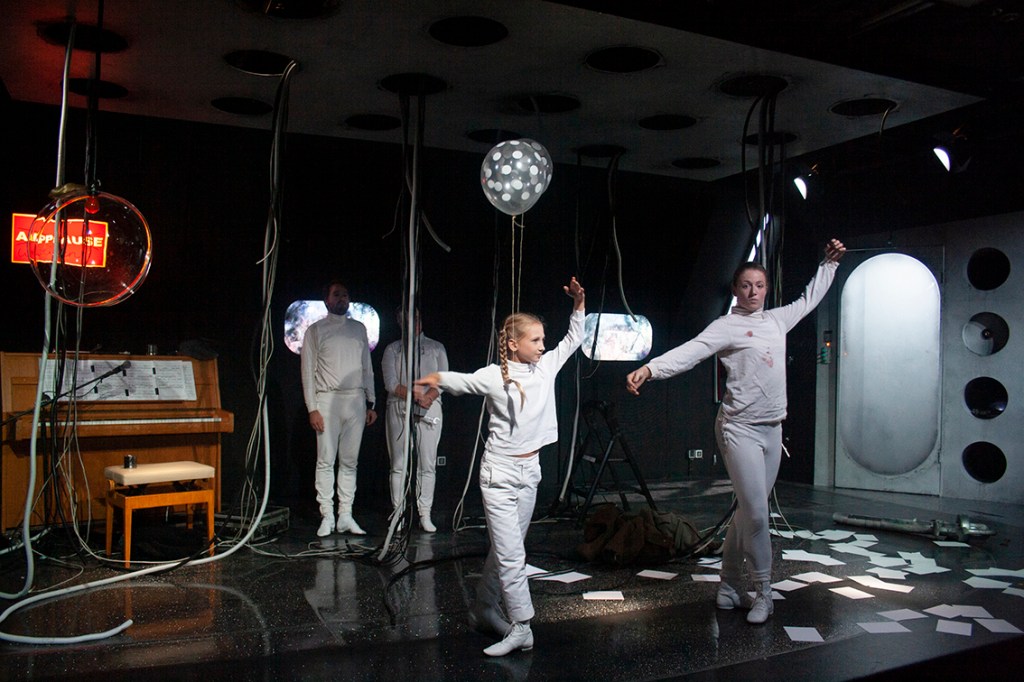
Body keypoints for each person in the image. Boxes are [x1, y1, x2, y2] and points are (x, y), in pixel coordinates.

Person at [625, 239, 845, 625]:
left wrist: (829, 264)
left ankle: (728, 586)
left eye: (759, 286)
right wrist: (651, 368)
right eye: (746, 286)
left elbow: (810, 299)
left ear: (766, 289)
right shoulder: (726, 326)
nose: (753, 292)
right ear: (736, 290)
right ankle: (764, 593)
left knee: (748, 512)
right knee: (757, 514)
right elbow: (692, 351)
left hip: (772, 430)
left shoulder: (777, 320)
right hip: (738, 429)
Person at [416, 277, 585, 657]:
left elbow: (574, 338)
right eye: (535, 340)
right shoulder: (495, 375)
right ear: (512, 344)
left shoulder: (546, 368)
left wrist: (578, 304)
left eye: (543, 339)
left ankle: (484, 608)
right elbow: (464, 382)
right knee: (511, 555)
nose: (543, 346)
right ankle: (522, 625)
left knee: (507, 549)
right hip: (499, 476)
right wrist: (437, 379)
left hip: (530, 473)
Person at [301, 279, 378, 538]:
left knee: (350, 461)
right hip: (327, 400)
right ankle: (327, 515)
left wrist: (371, 401)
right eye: (337, 295)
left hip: (355, 400)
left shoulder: (358, 329)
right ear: (327, 300)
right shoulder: (315, 330)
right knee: (326, 460)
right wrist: (312, 408)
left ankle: (345, 515)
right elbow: (307, 372)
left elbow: (366, 366)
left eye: (345, 294)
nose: (342, 298)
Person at [382, 308, 449, 532]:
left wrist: (428, 396)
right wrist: (413, 395)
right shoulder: (393, 349)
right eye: (408, 319)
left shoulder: (436, 347)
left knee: (427, 463)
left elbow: (443, 379)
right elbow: (391, 383)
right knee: (399, 463)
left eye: (417, 318)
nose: (414, 322)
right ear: (400, 322)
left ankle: (424, 513)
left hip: (430, 407)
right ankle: (398, 513)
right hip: (400, 407)